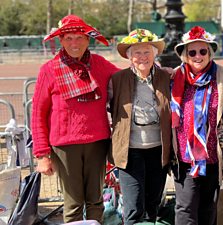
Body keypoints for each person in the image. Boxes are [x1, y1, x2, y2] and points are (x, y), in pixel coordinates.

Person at [31, 14, 119, 223]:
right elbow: (37, 114)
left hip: (97, 142)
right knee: (73, 202)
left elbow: (127, 78)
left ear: (88, 40)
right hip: (65, 147)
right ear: (60, 41)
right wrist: (42, 154)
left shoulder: (99, 64)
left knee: (96, 199)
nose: (74, 43)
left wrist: (160, 72)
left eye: (79, 37)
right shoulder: (49, 70)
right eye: (69, 38)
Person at [107, 29, 172, 224]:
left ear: (154, 54)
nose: (142, 57)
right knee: (134, 205)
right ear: (129, 56)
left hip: (158, 151)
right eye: (137, 52)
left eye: (147, 52)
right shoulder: (117, 80)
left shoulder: (166, 77)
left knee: (153, 203)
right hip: (130, 151)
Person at [170, 26, 223, 225]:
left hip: (213, 156)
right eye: (192, 52)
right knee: (185, 208)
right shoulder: (173, 78)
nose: (198, 56)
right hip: (184, 157)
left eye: (203, 51)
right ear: (184, 55)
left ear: (210, 53)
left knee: (208, 208)